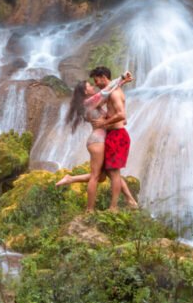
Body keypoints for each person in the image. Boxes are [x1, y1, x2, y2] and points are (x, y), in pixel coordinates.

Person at [56, 71, 137, 212]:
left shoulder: (94, 103)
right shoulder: (88, 103)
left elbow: (110, 94)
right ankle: (90, 209)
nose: (93, 86)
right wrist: (122, 77)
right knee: (96, 177)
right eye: (90, 85)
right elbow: (106, 91)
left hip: (101, 139)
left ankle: (70, 179)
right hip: (98, 140)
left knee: (104, 176)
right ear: (85, 91)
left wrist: (121, 83)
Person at [89, 64, 131, 212]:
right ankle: (129, 201)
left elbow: (121, 115)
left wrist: (104, 122)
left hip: (118, 135)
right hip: (114, 134)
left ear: (103, 78)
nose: (95, 84)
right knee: (109, 172)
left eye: (96, 80)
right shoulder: (113, 90)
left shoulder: (114, 94)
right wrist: (123, 80)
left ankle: (114, 207)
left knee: (114, 173)